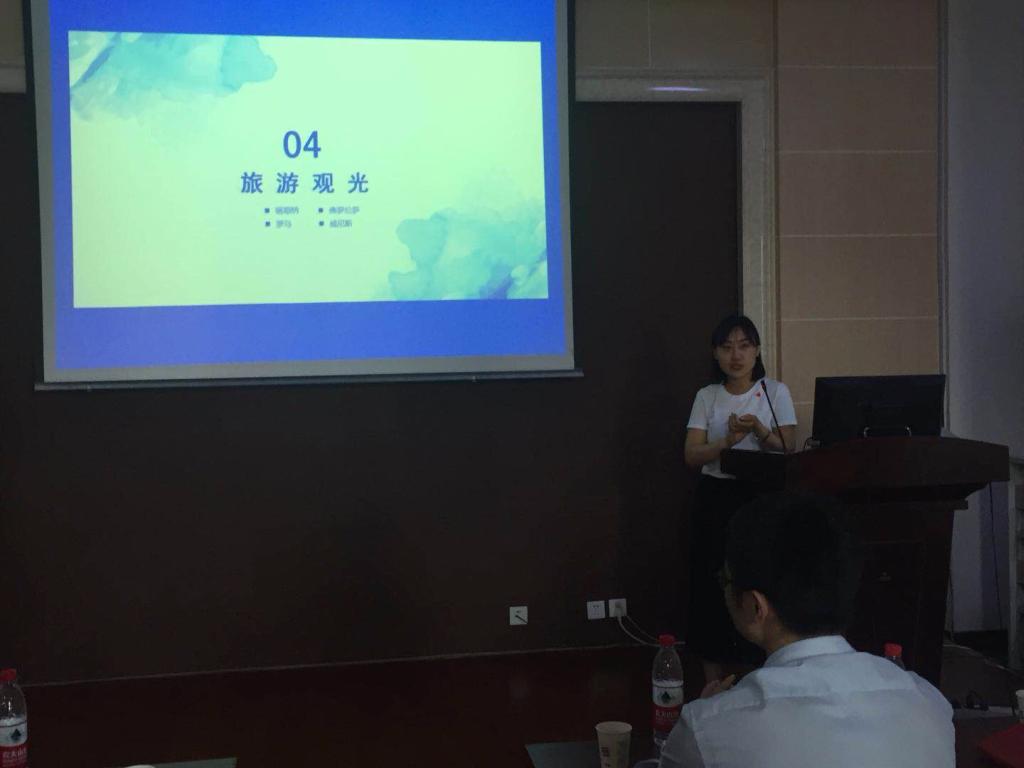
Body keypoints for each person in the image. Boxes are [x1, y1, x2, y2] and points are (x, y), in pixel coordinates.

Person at [658, 494, 955, 768]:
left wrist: (710, 714)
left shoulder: (708, 728)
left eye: (725, 580)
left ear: (755, 606)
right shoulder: (931, 704)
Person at [684, 315, 796, 683]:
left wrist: (760, 430)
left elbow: (789, 446)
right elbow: (691, 455)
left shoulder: (774, 392)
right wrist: (727, 442)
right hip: (716, 498)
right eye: (727, 347)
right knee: (710, 582)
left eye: (744, 346)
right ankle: (712, 680)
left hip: (762, 500)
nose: (736, 355)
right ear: (715, 353)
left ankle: (759, 677)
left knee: (759, 582)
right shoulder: (708, 396)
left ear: (757, 351)